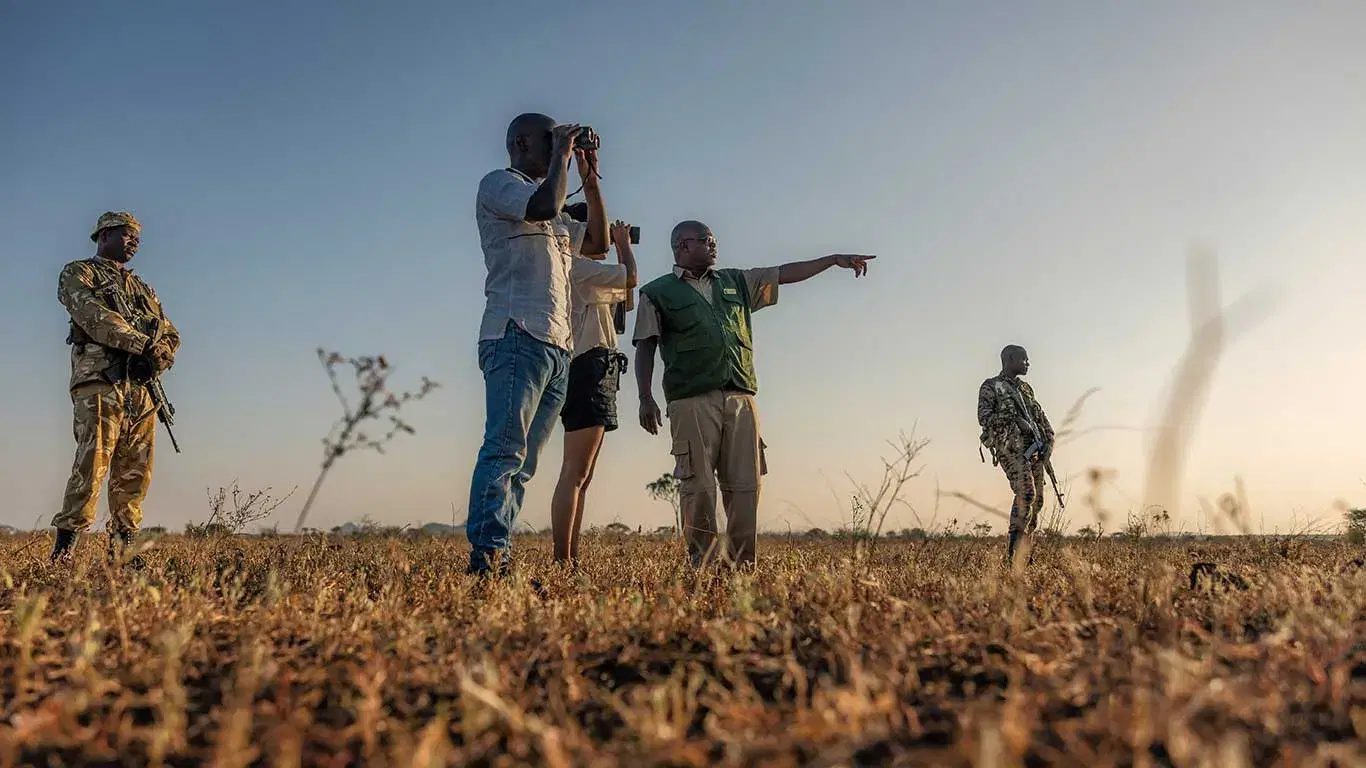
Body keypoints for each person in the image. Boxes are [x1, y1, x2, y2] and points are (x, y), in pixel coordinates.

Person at [633, 219, 874, 569]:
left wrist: (832, 260)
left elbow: (783, 273)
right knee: (698, 486)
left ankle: (742, 566)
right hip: (690, 400)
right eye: (706, 240)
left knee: (745, 486)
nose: (714, 245)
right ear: (683, 246)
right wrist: (645, 397)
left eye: (713, 239)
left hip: (741, 398)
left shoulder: (736, 281)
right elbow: (645, 345)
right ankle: (703, 567)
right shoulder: (657, 292)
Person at [466, 113, 608, 577]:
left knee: (523, 464)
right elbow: (542, 207)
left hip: (557, 345)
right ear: (523, 142)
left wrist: (590, 178)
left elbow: (600, 244)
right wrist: (563, 155)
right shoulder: (500, 184)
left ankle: (498, 556)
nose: (557, 147)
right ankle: (488, 562)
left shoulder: (557, 201)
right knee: (504, 451)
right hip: (515, 332)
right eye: (550, 139)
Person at [51, 211, 180, 565]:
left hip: (141, 388)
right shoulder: (79, 272)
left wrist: (159, 358)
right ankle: (64, 552)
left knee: (136, 472)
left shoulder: (143, 289)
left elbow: (170, 332)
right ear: (104, 235)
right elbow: (93, 315)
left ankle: (124, 552)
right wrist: (142, 345)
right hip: (100, 382)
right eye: (127, 234)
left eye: (137, 237)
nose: (134, 241)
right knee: (91, 465)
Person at [549, 219, 638, 565]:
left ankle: (569, 558)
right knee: (575, 473)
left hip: (597, 367)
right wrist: (623, 243)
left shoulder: (583, 271)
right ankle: (562, 560)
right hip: (588, 367)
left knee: (581, 476)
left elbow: (626, 302)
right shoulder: (577, 268)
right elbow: (631, 278)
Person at [977, 344, 1055, 567]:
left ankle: (1025, 555)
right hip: (1009, 448)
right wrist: (1014, 419)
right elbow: (984, 418)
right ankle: (1012, 558)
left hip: (1034, 451)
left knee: (1037, 502)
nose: (1028, 363)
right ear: (1010, 359)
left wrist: (1049, 441)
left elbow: (1040, 416)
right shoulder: (991, 386)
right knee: (1026, 493)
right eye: (1024, 359)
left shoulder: (1026, 389)